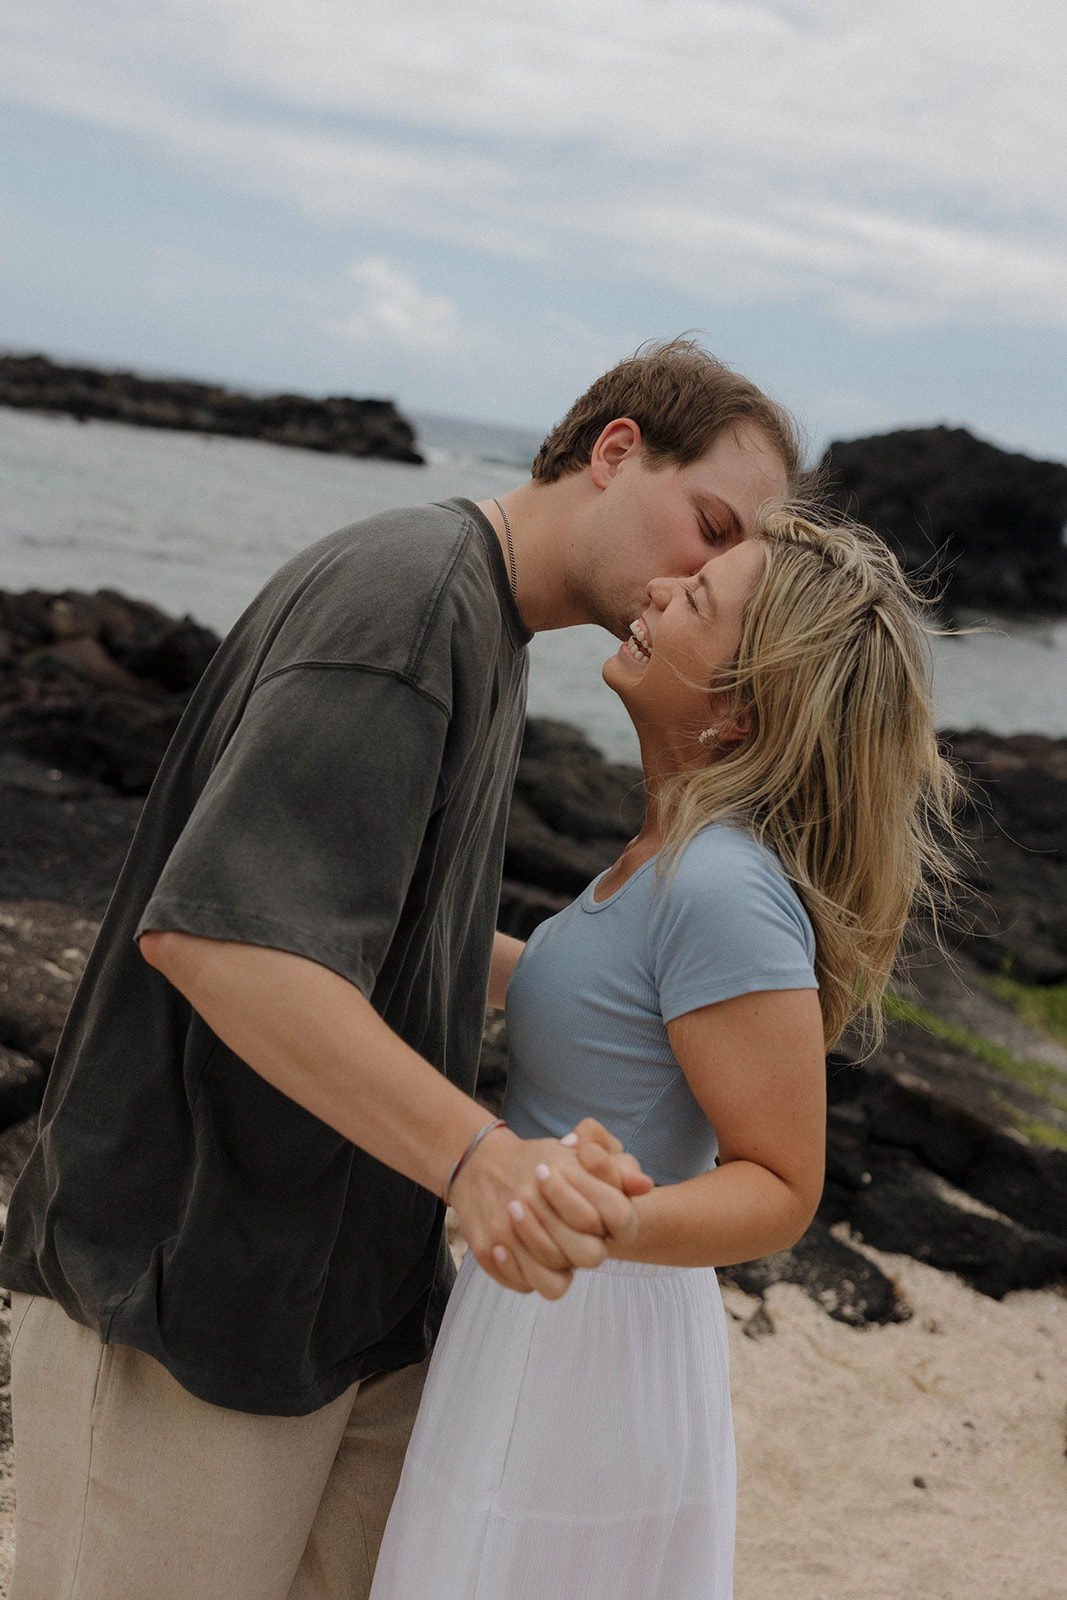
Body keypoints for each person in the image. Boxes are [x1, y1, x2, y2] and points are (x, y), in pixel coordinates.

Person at [0, 339, 798, 1600]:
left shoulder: (487, 626)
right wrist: (478, 1156)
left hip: (343, 1311)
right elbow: (223, 936)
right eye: (709, 524)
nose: (708, 577)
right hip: (188, 1294)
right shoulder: (410, 601)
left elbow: (362, 920)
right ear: (612, 450)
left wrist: (603, 986)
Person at [368, 510, 962, 1600]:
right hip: (546, 1287)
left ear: (737, 710)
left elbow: (781, 1184)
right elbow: (582, 996)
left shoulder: (717, 884)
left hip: (589, 1316)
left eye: (692, 600)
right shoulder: (664, 850)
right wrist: (385, 928)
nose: (652, 592)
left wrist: (600, 1219)